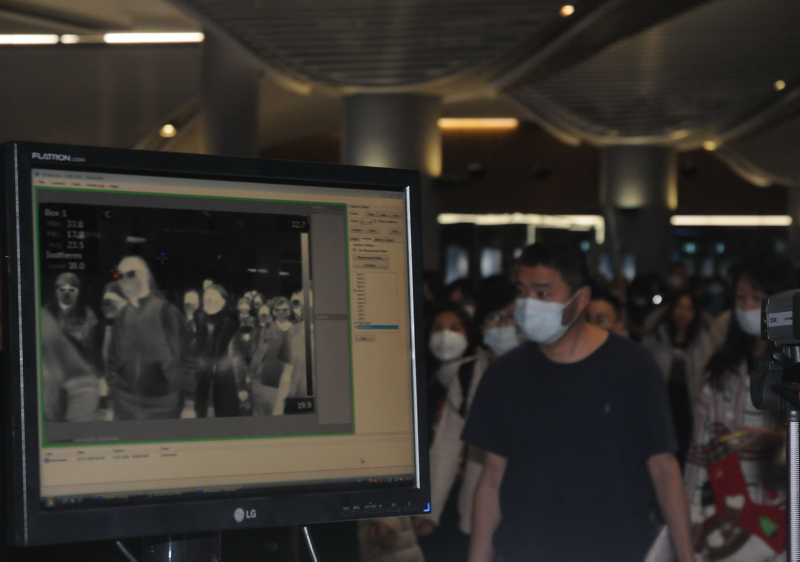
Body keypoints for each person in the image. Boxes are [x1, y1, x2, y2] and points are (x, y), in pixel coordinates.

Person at [462, 242, 693, 562]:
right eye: (522, 292)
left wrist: (686, 557)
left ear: (581, 298)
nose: (529, 304)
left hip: (616, 551)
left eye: (543, 293)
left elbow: (664, 468)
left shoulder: (632, 366)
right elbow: (491, 480)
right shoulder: (504, 374)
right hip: (526, 551)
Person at [684, 253, 795, 561]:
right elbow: (699, 448)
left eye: (757, 298)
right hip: (725, 520)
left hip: (781, 521)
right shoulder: (722, 368)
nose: (746, 307)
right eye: (740, 298)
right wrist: (690, 515)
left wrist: (778, 440)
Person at [414, 276, 520, 560]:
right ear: (481, 324)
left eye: (511, 317)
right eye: (494, 317)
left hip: (530, 515)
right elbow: (447, 446)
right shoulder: (467, 374)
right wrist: (430, 511)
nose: (503, 325)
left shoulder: (543, 369)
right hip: (477, 512)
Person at [642, 290, 716, 469]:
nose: (683, 313)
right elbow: (643, 371)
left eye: (689, 309)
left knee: (685, 447)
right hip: (661, 403)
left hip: (690, 404)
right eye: (679, 307)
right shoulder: (656, 337)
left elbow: (709, 374)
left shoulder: (702, 341)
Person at [105, 256, 185, 420]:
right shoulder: (122, 315)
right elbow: (114, 359)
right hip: (124, 401)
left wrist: (189, 403)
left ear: (145, 275)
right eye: (119, 275)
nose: (124, 280)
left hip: (162, 403)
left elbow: (185, 358)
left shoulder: (167, 312)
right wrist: (111, 400)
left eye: (130, 273)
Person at [425, 303, 476, 440]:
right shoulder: (424, 381)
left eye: (454, 328)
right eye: (438, 328)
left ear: (468, 334)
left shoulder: (477, 376)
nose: (445, 335)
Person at [194, 284, 246, 418]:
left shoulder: (230, 323)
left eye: (214, 297)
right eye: (207, 297)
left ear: (224, 301)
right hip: (199, 385)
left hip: (225, 384)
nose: (210, 300)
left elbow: (237, 357)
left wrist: (241, 387)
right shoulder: (197, 322)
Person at [46, 272, 102, 370]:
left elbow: (91, 350)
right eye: (62, 290)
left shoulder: (88, 313)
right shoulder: (46, 312)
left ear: (78, 292)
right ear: (55, 291)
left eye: (71, 290)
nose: (66, 294)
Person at [247, 303, 293, 415]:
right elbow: (260, 350)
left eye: (284, 310)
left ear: (289, 311)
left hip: (290, 377)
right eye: (278, 310)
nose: (281, 312)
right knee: (269, 410)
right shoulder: (268, 328)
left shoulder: (296, 328)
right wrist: (251, 373)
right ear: (273, 312)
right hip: (271, 376)